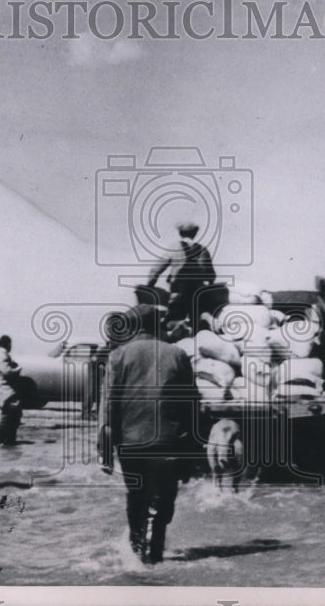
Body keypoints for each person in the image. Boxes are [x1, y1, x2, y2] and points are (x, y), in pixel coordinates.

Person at [97, 304, 200, 564]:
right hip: (168, 442)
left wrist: (104, 451)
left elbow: (107, 406)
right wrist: (191, 452)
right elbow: (191, 406)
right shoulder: (177, 354)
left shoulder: (118, 355)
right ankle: (155, 553)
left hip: (130, 442)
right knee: (164, 499)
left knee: (136, 496)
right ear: (158, 325)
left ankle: (135, 553)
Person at [146, 222, 216, 326]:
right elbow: (210, 275)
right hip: (197, 292)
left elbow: (156, 269)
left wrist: (150, 285)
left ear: (180, 233)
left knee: (172, 324)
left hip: (178, 292)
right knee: (196, 324)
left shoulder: (174, 248)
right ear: (195, 233)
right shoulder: (202, 250)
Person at [0, 334, 24, 446]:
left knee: (11, 414)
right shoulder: (2, 356)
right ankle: (4, 439)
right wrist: (17, 369)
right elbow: (7, 371)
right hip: (5, 390)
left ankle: (7, 439)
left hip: (4, 389)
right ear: (7, 344)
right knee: (10, 415)